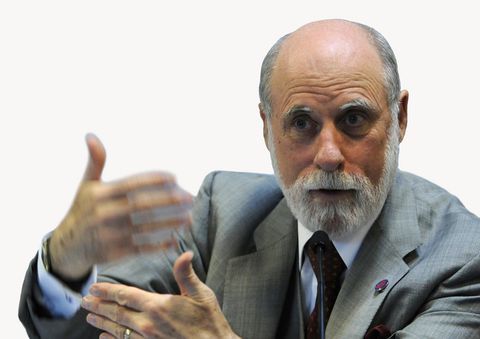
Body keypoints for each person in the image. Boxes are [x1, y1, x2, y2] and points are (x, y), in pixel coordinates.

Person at [19, 19, 480, 339]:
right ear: (265, 127)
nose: (328, 155)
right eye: (301, 123)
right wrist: (66, 261)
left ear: (399, 118)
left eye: (354, 119)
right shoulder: (222, 211)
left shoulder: (464, 258)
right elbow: (71, 332)